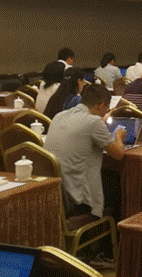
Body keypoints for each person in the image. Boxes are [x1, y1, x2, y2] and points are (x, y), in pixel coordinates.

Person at [44, 84, 125, 217]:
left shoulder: (59, 115)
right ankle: (109, 228)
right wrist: (118, 137)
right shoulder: (94, 122)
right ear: (100, 105)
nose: (105, 112)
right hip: (77, 197)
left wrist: (101, 121)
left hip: (57, 190)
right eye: (106, 108)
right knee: (119, 184)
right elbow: (119, 154)